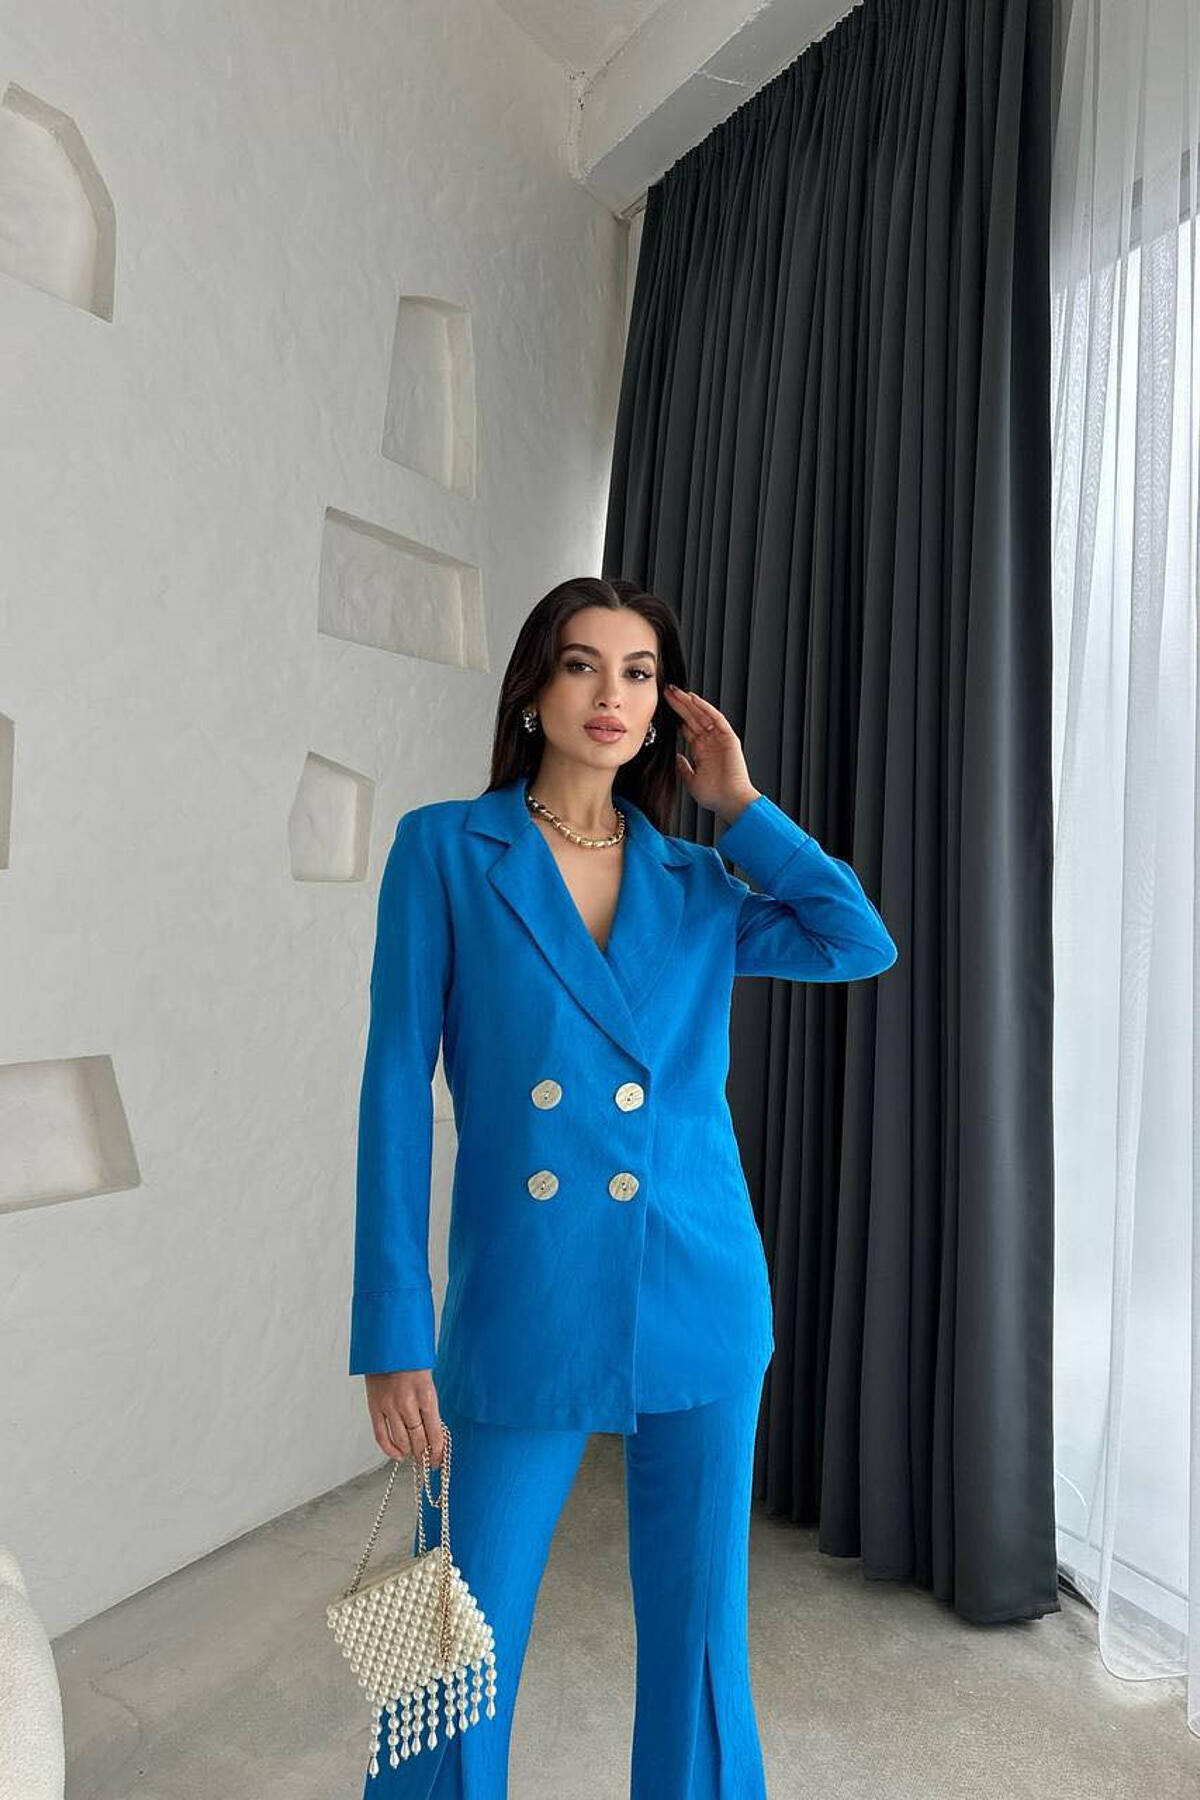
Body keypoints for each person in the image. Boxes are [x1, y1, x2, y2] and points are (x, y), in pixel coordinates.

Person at [348, 576, 897, 1797]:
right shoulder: (447, 849)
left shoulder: (698, 883)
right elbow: (392, 1089)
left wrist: (740, 807)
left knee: (700, 1642)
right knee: (451, 1632)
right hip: (523, 1291)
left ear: (664, 709)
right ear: (532, 691)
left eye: (639, 672)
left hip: (699, 1285)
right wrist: (392, 1332)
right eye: (582, 664)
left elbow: (856, 938)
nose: (611, 693)